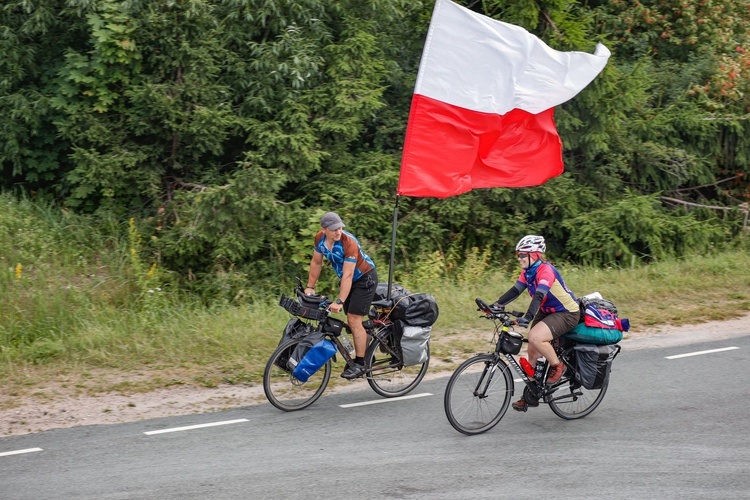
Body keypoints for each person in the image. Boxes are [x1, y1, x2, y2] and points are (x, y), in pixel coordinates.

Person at [493, 235, 580, 412]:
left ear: (535, 255)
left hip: (567, 312)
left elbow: (539, 295)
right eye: (518, 255)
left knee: (535, 338)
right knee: (532, 350)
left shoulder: (545, 271)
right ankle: (531, 394)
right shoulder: (527, 272)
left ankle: (557, 366)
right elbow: (515, 290)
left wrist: (528, 317)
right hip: (548, 311)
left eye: (523, 255)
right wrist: (495, 306)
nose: (519, 258)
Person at [305, 212, 378, 380]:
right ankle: (366, 348)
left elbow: (348, 275)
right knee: (351, 319)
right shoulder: (320, 240)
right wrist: (310, 287)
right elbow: (316, 262)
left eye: (340, 228)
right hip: (349, 279)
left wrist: (339, 301)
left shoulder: (348, 243)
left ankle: (360, 363)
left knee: (353, 319)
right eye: (333, 229)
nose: (338, 232)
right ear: (324, 230)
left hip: (365, 278)